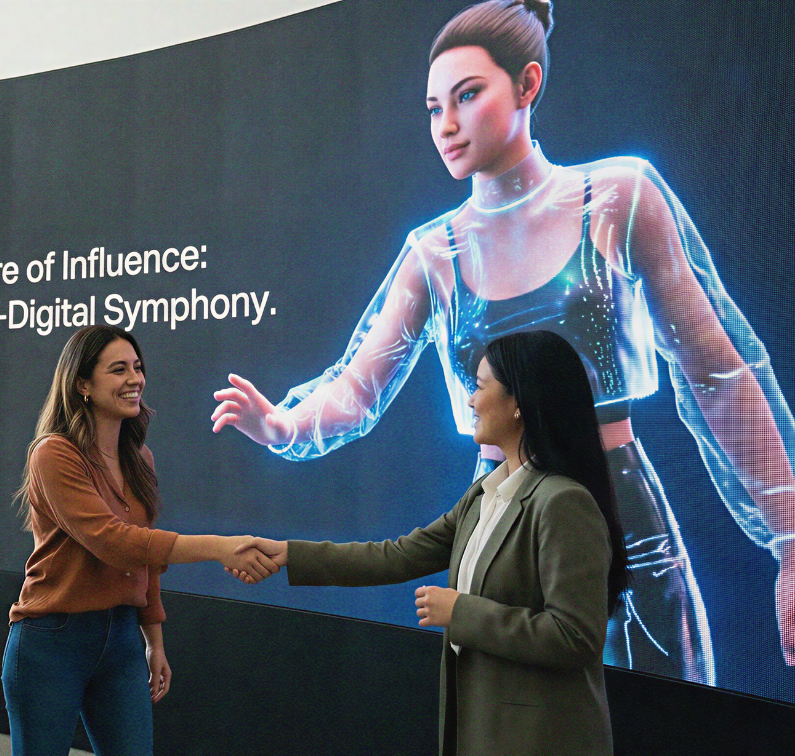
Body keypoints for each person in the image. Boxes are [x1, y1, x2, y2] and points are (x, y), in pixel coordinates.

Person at [210, 0, 795, 683]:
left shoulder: (616, 198)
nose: (447, 126)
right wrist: (282, 424)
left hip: (624, 515)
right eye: (433, 108)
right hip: (497, 517)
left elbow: (717, 371)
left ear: (528, 84)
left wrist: (788, 536)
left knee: (661, 719)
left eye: (466, 95)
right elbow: (357, 388)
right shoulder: (435, 253)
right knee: (506, 710)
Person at [234, 331, 627, 756]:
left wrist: (461, 611)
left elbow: (575, 637)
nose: (470, 401)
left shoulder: (564, 502)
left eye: (479, 386)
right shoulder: (482, 496)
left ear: (519, 404)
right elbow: (396, 555)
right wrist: (292, 555)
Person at [5, 324, 280, 756]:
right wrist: (219, 547)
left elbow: (143, 557)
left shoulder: (139, 459)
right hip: (52, 642)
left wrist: (154, 641)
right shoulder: (53, 453)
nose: (135, 379)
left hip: (121, 641)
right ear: (82, 384)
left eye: (137, 367)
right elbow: (116, 543)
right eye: (118, 370)